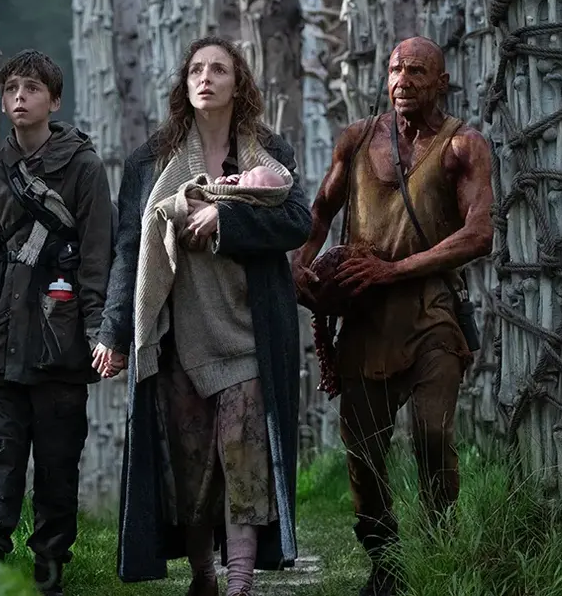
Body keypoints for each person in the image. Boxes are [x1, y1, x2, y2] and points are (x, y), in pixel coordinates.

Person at [92, 36, 310, 596]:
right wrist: (115, 330)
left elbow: (297, 223)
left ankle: (239, 581)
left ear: (239, 85)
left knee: (244, 458)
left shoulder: (267, 155)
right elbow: (128, 249)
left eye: (218, 69)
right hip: (177, 339)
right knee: (190, 468)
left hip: (248, 334)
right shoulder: (150, 162)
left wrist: (225, 219)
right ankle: (203, 576)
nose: (206, 78)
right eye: (196, 70)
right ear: (184, 84)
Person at [291, 36, 494, 596]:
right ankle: (386, 562)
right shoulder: (357, 139)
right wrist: (301, 267)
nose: (403, 81)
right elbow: (321, 211)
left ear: (441, 82)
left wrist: (394, 270)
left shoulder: (463, 146)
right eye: (396, 70)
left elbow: (479, 233)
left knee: (432, 431)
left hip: (432, 313)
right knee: (363, 449)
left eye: (417, 71)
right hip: (365, 318)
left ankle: (439, 548)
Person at [0, 49, 114, 596]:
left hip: (61, 341)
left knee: (59, 464)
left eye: (33, 88)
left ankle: (50, 569)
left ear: (54, 101)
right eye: (12, 88)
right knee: (0, 454)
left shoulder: (84, 168)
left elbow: (97, 258)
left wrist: (99, 334)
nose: (20, 97)